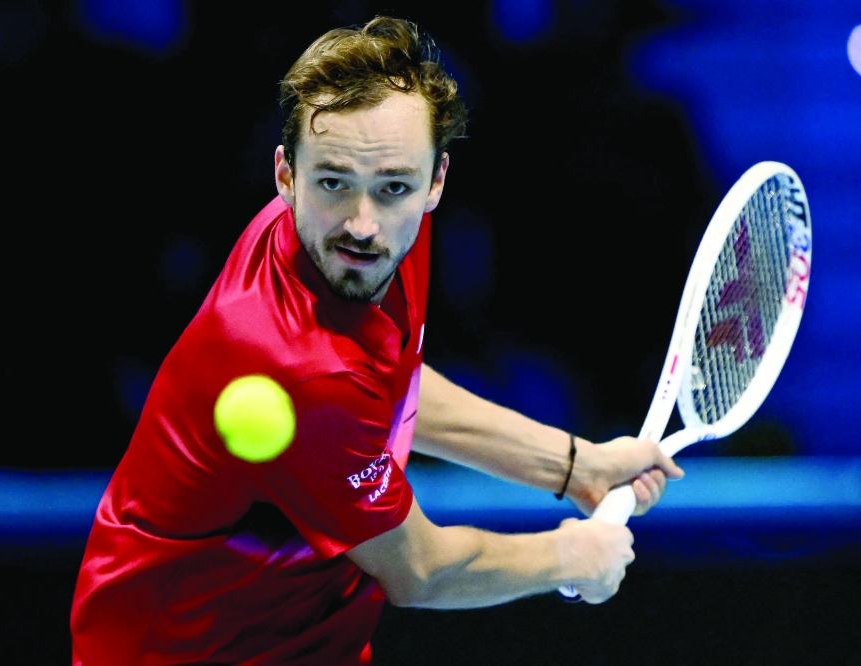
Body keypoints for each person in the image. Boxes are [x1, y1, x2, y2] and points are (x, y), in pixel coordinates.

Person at [70, 16, 683, 665]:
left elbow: (390, 388)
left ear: (434, 183)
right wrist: (569, 556)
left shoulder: (367, 248)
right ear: (286, 175)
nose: (362, 224)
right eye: (333, 182)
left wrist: (573, 465)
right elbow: (421, 570)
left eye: (393, 187)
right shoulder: (293, 363)